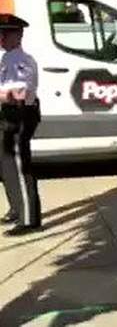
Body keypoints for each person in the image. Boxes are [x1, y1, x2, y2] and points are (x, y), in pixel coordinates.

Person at [0, 13, 41, 236]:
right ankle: (17, 207)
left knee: (18, 164)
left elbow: (20, 93)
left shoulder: (22, 60)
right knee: (7, 164)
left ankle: (29, 219)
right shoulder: (7, 58)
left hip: (19, 115)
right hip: (7, 115)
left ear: (18, 35)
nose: (1, 38)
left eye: (5, 34)